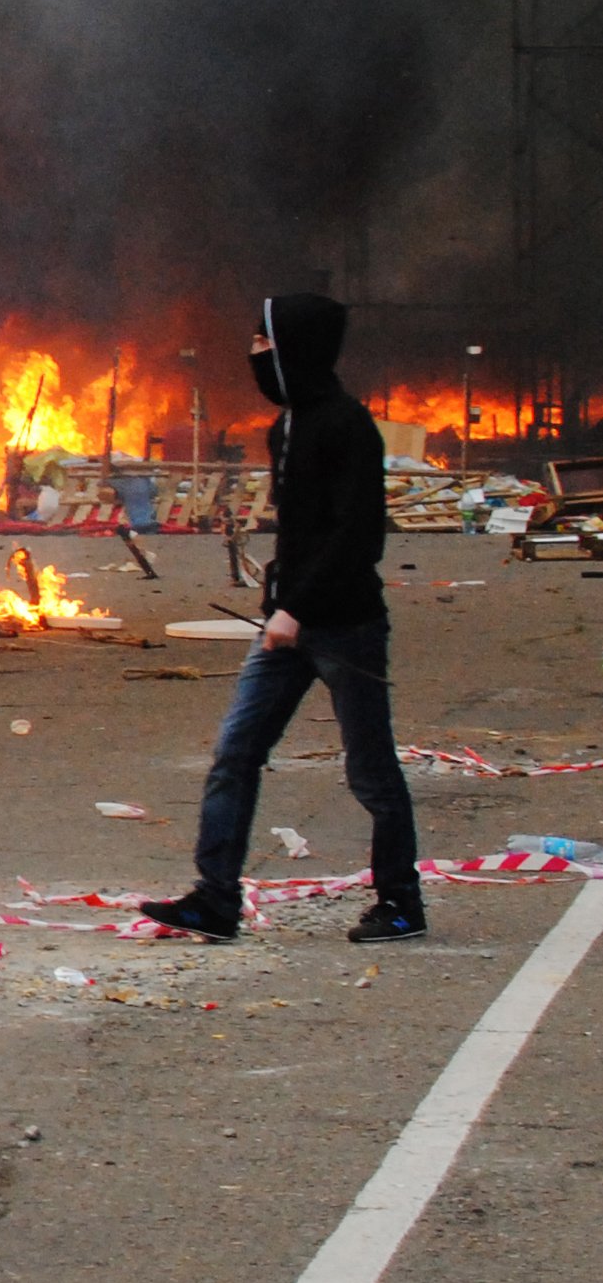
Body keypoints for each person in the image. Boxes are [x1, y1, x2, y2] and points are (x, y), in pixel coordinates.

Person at [147, 293, 422, 944]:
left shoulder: (347, 426)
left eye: (262, 344)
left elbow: (357, 537)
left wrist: (297, 608)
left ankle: (400, 903)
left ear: (294, 348)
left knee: (370, 769)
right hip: (286, 626)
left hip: (345, 627)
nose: (252, 356)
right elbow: (300, 533)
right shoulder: (285, 427)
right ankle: (215, 898)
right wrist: (278, 594)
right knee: (234, 752)